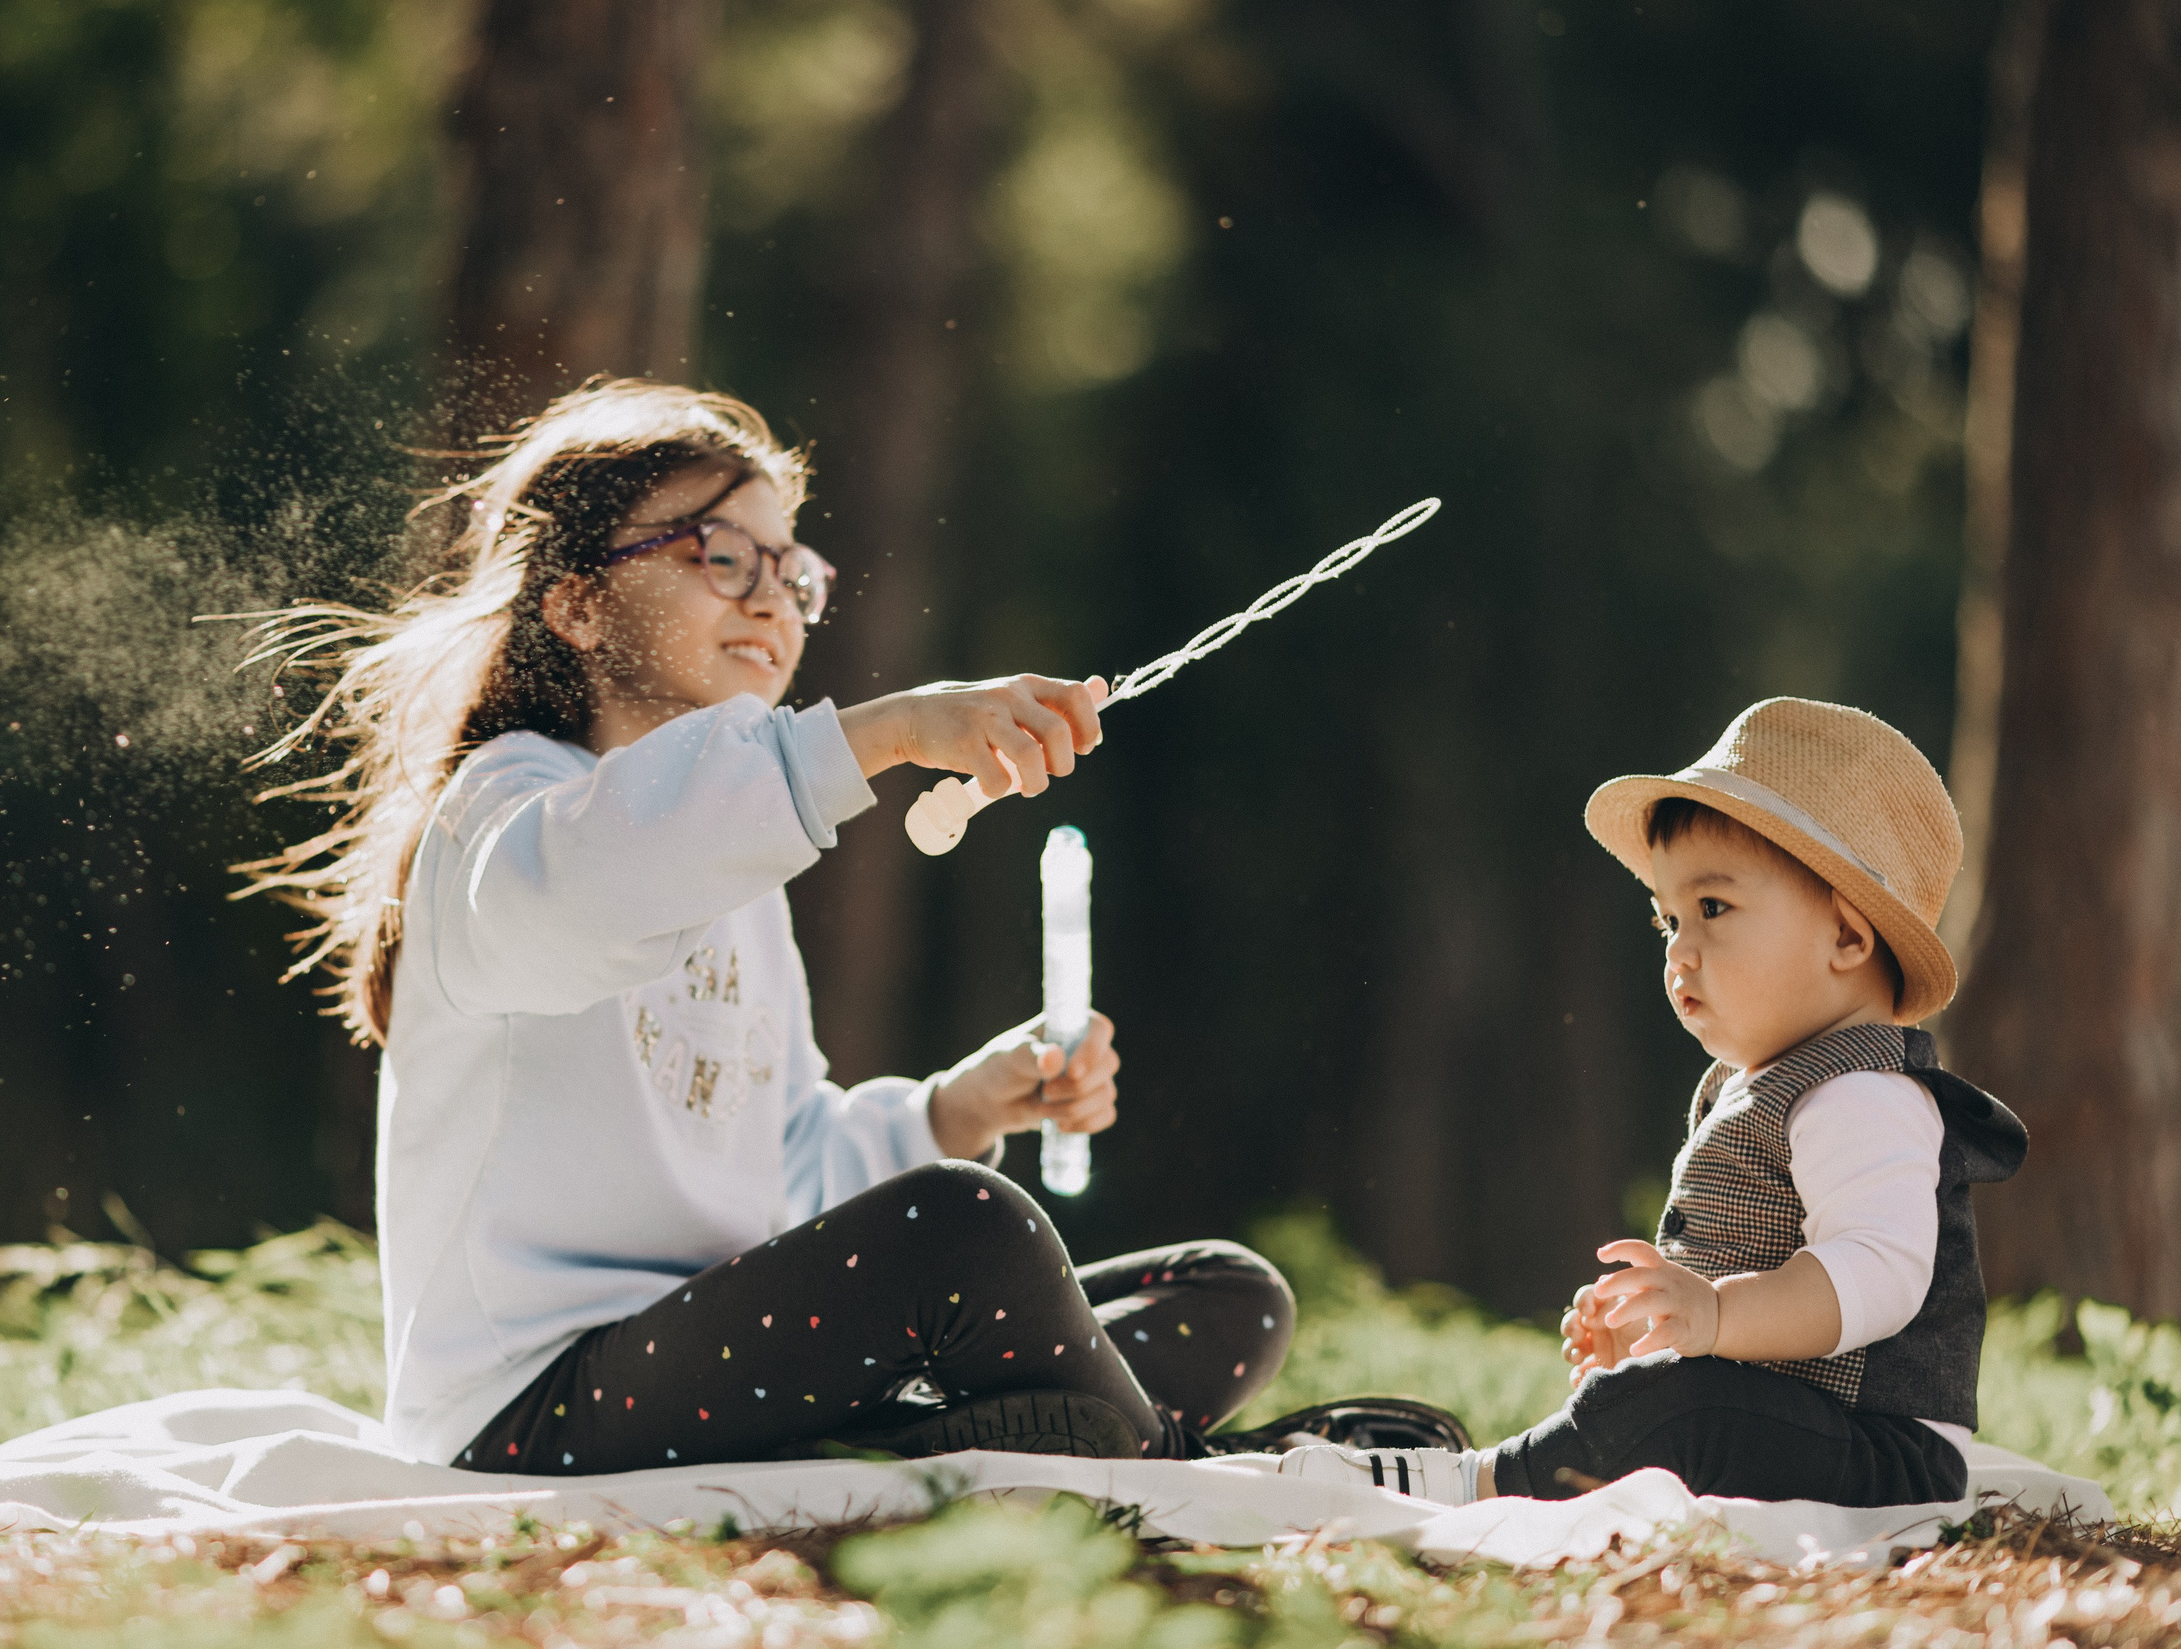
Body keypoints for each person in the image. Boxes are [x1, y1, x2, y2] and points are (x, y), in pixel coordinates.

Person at [235, 378, 1406, 1475]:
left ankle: (1029, 1444)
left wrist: (955, 1107)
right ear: (578, 605)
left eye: (792, 575)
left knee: (1220, 1291)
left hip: (733, 1368)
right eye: (720, 555)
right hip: (531, 1411)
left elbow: (780, 1168)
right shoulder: (505, 811)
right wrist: (882, 733)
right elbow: (597, 881)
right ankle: (1146, 1465)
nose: (768, 600)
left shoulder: (735, 859)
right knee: (966, 1230)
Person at [1306, 698, 2027, 1506]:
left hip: (1884, 1447)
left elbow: (1880, 1271)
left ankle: (1480, 1483)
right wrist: (1659, 1331)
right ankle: (1536, 1460)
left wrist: (1715, 1314)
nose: (1680, 949)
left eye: (1713, 910)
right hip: (1796, 1423)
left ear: (1848, 940)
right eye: (1667, 919)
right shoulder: (1764, 1086)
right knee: (1659, 1402)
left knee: (1683, 1412)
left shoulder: (1865, 1093)